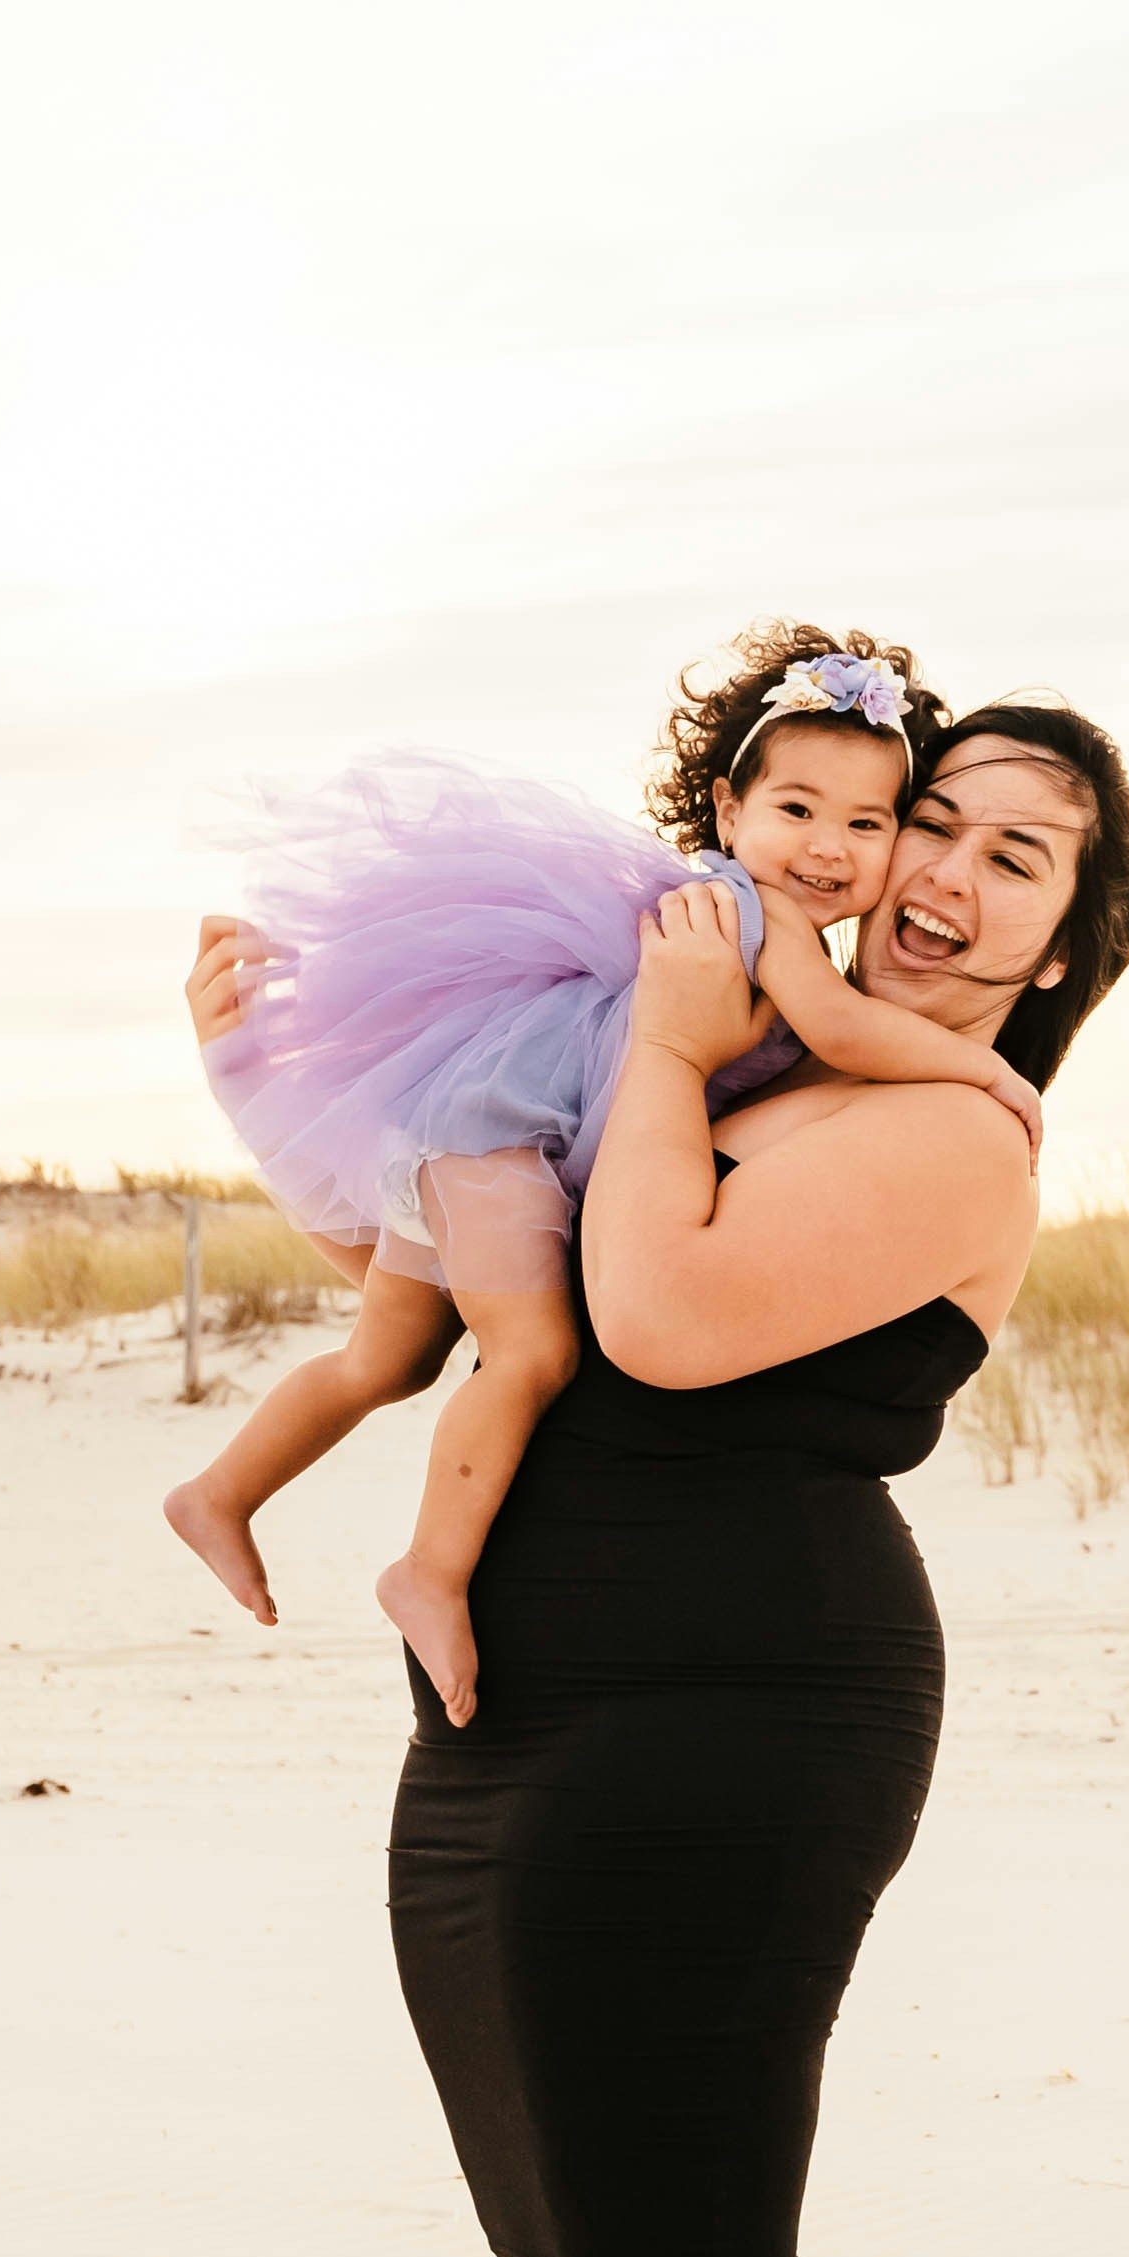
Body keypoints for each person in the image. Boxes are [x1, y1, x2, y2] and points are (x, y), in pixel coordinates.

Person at [180, 697, 1129, 2257]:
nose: (946, 870)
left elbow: (666, 1311)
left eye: (1024, 856)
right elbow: (431, 1280)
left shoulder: (958, 1137)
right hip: (520, 1708)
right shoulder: (726, 1059)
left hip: (733, 1714)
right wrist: (253, 1082)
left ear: (1070, 942)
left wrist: (674, 1036)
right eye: (934, 821)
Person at [163, 626, 1044, 1719]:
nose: (828, 845)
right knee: (524, 1353)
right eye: (797, 809)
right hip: (499, 1136)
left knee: (389, 1355)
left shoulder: (753, 948)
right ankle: (427, 1569)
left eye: (867, 822)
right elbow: (840, 1023)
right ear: (728, 809)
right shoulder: (746, 919)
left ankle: (221, 1490)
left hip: (484, 1135)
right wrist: (985, 1070)